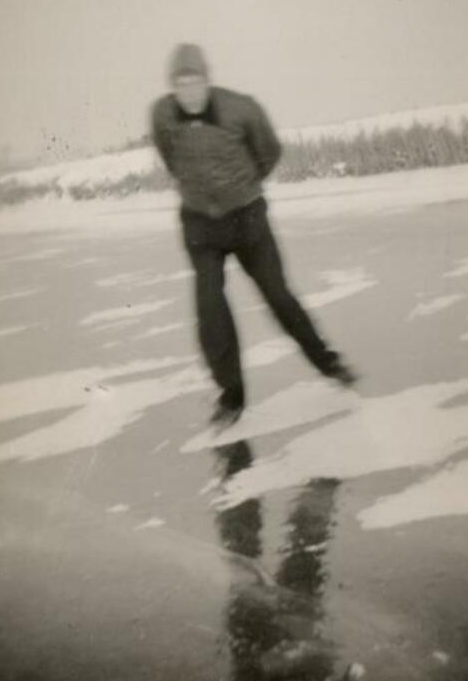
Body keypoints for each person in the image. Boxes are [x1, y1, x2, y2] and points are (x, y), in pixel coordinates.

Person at [151, 43, 357, 428]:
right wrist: (198, 191)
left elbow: (269, 151)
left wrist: (243, 187)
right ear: (172, 88)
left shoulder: (241, 108)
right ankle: (231, 397)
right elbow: (169, 156)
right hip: (200, 224)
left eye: (195, 82)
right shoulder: (162, 114)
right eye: (181, 85)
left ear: (207, 81)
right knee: (210, 308)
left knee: (277, 294)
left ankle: (328, 363)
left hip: (246, 220)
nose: (189, 92)